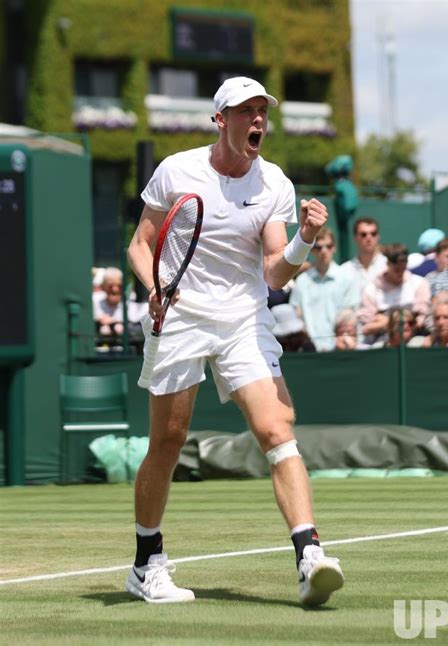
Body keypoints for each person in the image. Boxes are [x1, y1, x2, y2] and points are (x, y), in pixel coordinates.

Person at [126, 77, 344, 606]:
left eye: (262, 112)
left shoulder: (275, 183)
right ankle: (146, 563)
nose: (258, 121)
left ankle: (309, 554)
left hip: (244, 319)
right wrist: (154, 289)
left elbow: (274, 274)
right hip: (180, 315)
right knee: (168, 442)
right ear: (221, 120)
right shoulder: (176, 170)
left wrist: (305, 237)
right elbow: (140, 245)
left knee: (276, 427)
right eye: (245, 112)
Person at [289, 227, 358, 351]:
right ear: (312, 250)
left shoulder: (347, 278)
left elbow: (350, 318)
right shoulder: (302, 281)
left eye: (328, 246)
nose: (324, 251)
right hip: (310, 350)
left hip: (341, 349)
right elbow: (297, 317)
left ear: (334, 247)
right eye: (319, 247)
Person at [358, 243, 431, 344]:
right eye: (396, 270)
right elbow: (366, 328)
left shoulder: (419, 284)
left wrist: (385, 321)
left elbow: (422, 320)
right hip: (383, 343)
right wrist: (406, 320)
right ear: (388, 264)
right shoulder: (371, 290)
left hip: (413, 341)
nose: (400, 273)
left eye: (403, 268)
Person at [340, 217, 387, 306]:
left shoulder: (387, 266)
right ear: (355, 238)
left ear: (378, 237)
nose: (369, 238)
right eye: (363, 234)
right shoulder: (344, 270)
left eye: (373, 234)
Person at [93, 267, 124, 339]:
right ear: (103, 286)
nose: (115, 289)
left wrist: (113, 322)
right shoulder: (95, 302)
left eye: (119, 286)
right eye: (110, 286)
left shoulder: (132, 303)